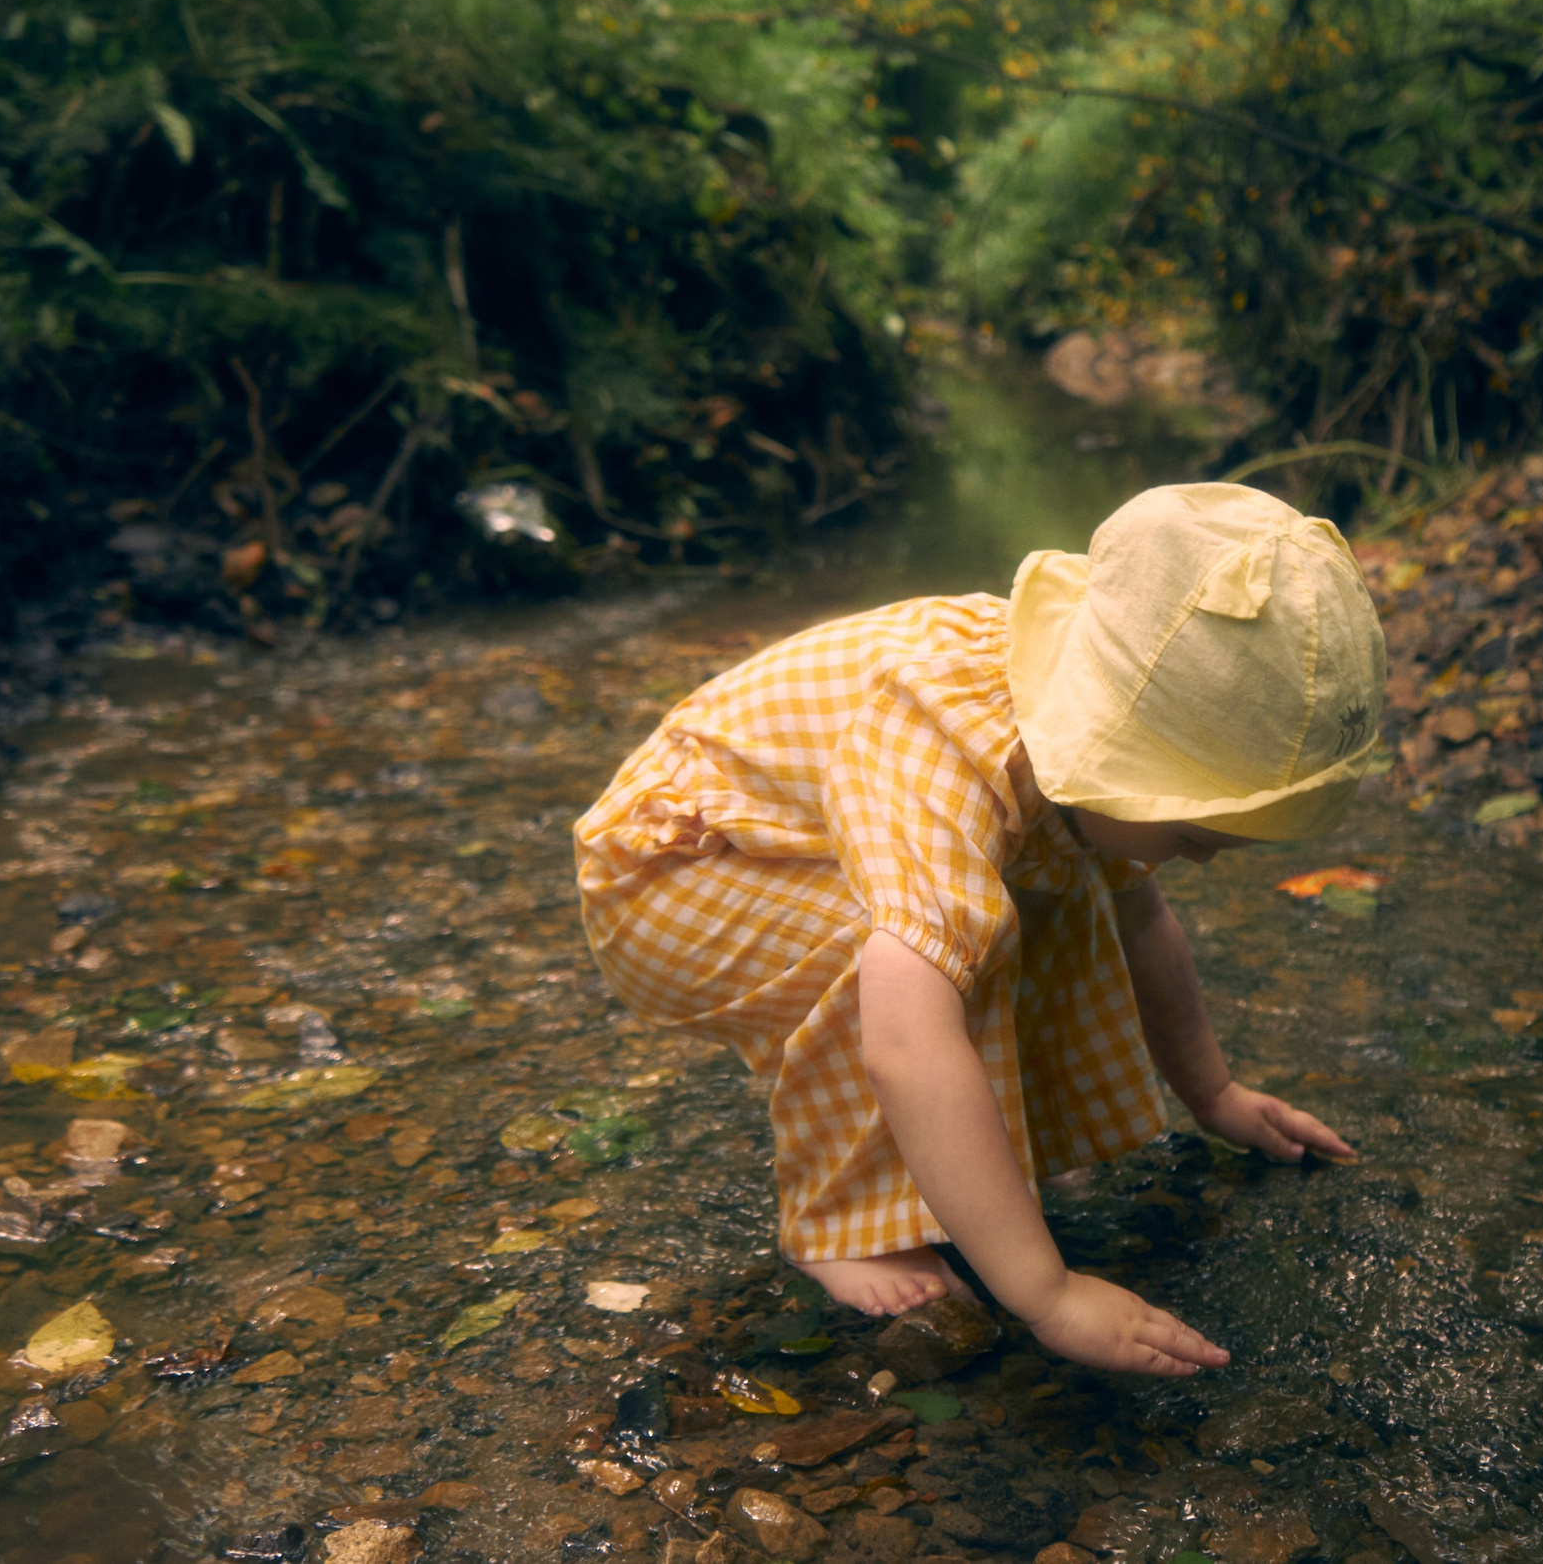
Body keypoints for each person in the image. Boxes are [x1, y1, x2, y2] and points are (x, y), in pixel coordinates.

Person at [573, 483, 1383, 1376]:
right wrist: (1045, 1290)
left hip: (783, 840)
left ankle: (982, 1162)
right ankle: (840, 1224)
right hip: (674, 876)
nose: (1199, 860)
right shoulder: (950, 744)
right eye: (1193, 831)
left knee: (1057, 894)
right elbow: (906, 1042)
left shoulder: (1076, 737)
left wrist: (1215, 1094)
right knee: (907, 960)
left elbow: (1141, 921)